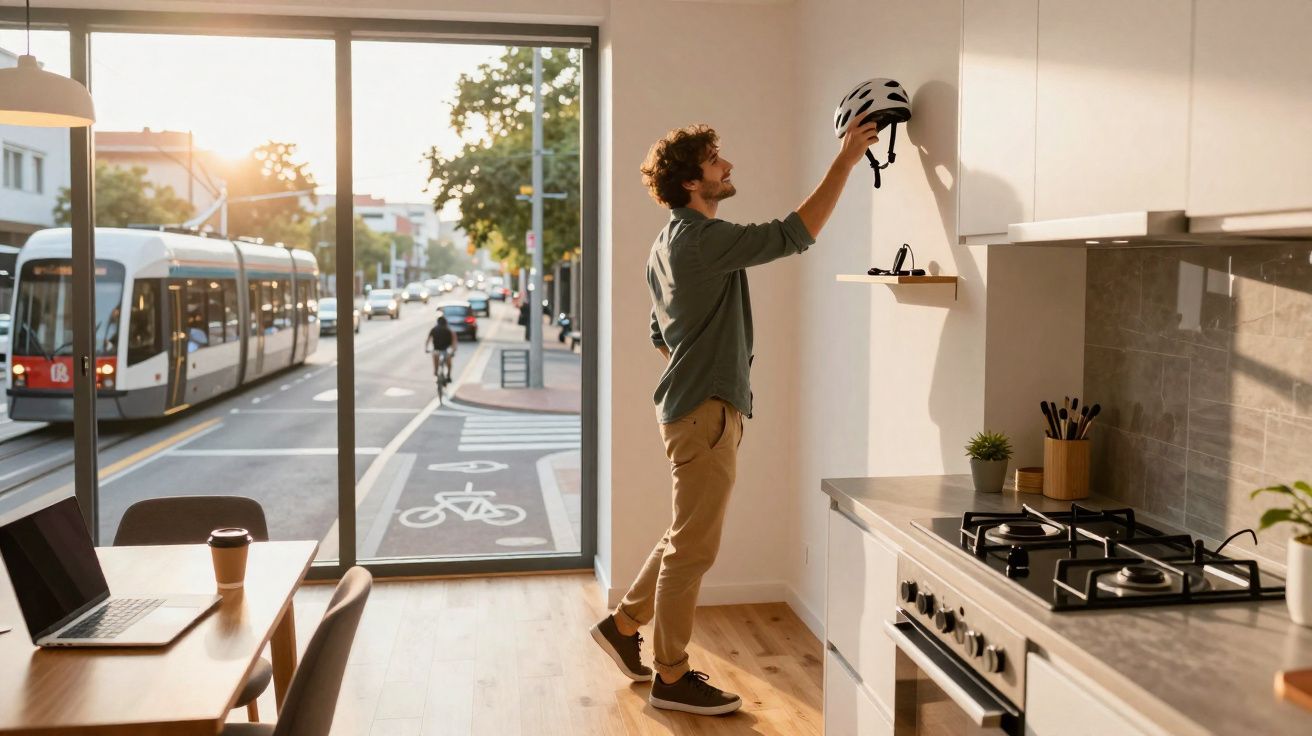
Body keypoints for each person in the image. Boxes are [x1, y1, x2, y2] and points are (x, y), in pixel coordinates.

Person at [588, 120, 880, 716]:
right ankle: (672, 676)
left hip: (693, 409)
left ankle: (623, 625)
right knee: (692, 549)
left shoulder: (666, 244)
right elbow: (793, 234)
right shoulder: (701, 239)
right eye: (715, 159)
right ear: (691, 181)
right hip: (705, 413)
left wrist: (701, 366)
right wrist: (846, 161)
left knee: (685, 535)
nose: (728, 166)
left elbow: (659, 334)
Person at [426, 314, 457, 381]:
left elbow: (428, 340)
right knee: (449, 363)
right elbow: (454, 341)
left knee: (435, 358)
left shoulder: (434, 329)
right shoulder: (449, 330)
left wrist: (426, 348)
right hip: (446, 350)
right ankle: (448, 375)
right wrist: (453, 350)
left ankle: (436, 371)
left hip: (437, 350)